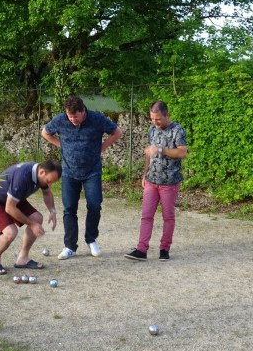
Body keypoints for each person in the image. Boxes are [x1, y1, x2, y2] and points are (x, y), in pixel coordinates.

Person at [41, 95, 122, 260]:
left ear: (83, 111)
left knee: (94, 205)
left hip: (92, 171)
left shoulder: (96, 119)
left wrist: (102, 147)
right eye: (70, 117)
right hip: (69, 172)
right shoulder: (61, 120)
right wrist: (61, 145)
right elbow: (45, 132)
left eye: (75, 116)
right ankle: (70, 246)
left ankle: (91, 239)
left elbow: (117, 132)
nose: (72, 120)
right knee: (69, 208)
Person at [125, 101, 187, 261]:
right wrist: (145, 173)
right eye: (152, 118)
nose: (155, 122)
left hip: (169, 182)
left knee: (168, 216)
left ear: (167, 115)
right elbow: (149, 154)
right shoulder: (152, 129)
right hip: (152, 180)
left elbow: (182, 153)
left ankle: (164, 249)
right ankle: (141, 249)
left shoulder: (177, 130)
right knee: (146, 215)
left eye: (158, 119)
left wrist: (161, 149)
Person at [0, 160, 62, 274]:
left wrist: (52, 211)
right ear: (42, 172)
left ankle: (22, 258)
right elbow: (9, 208)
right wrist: (31, 224)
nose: (50, 184)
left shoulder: (40, 174)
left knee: (37, 218)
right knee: (10, 232)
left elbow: (47, 193)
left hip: (14, 199)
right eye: (49, 180)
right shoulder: (22, 176)